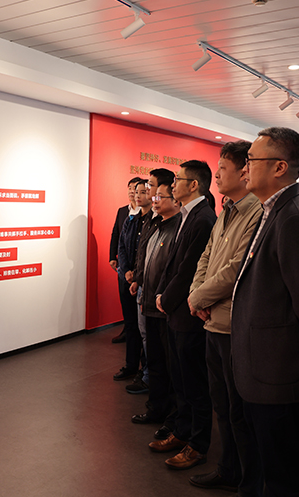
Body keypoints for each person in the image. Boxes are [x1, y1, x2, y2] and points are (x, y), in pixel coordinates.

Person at [231, 127, 299, 497]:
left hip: (279, 375)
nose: (244, 168)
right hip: (260, 369)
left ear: (280, 167)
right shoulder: (273, 210)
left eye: (251, 160)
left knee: (286, 476)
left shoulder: (297, 218)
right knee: (271, 466)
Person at [187, 141, 263, 493]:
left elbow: (236, 269)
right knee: (222, 406)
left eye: (222, 170)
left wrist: (199, 297)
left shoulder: (257, 212)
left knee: (239, 412)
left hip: (234, 327)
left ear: (244, 172)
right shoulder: (227, 210)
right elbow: (207, 256)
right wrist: (196, 294)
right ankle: (228, 469)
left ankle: (248, 479)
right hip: (212, 322)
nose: (216, 176)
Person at [150, 160, 216, 470]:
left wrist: (166, 297)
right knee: (180, 380)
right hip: (176, 311)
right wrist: (163, 294)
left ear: (194, 185)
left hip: (189, 313)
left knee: (194, 384)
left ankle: (198, 445)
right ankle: (182, 432)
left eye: (178, 179)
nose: (172, 184)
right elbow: (173, 264)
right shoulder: (188, 215)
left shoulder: (203, 218)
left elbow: (189, 269)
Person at [131, 179, 181, 438]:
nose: (155, 200)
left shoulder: (178, 229)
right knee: (155, 362)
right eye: (154, 196)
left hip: (164, 309)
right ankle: (155, 408)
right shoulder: (156, 225)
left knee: (170, 367)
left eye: (160, 196)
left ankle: (171, 417)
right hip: (149, 304)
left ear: (175, 200)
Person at [127, 168, 175, 395]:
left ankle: (153, 384)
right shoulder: (151, 220)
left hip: (160, 296)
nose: (147, 191)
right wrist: (137, 277)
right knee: (146, 337)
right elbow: (143, 253)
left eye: (152, 186)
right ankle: (149, 380)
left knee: (159, 348)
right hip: (145, 288)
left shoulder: (175, 224)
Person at [114, 179, 153, 382]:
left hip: (143, 282)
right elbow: (121, 245)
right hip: (127, 279)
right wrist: (126, 271)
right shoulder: (131, 220)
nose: (138, 195)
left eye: (143, 192)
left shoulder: (154, 221)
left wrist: (136, 275)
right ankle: (130, 365)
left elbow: (147, 254)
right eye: (136, 192)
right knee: (130, 325)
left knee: (145, 330)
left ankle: (145, 371)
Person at [109, 177, 143, 343]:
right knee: (125, 302)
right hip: (123, 266)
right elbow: (116, 234)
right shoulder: (123, 211)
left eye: (135, 189)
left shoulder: (146, 214)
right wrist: (112, 256)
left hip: (138, 268)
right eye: (130, 188)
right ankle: (127, 332)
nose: (132, 192)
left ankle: (138, 338)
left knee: (137, 305)